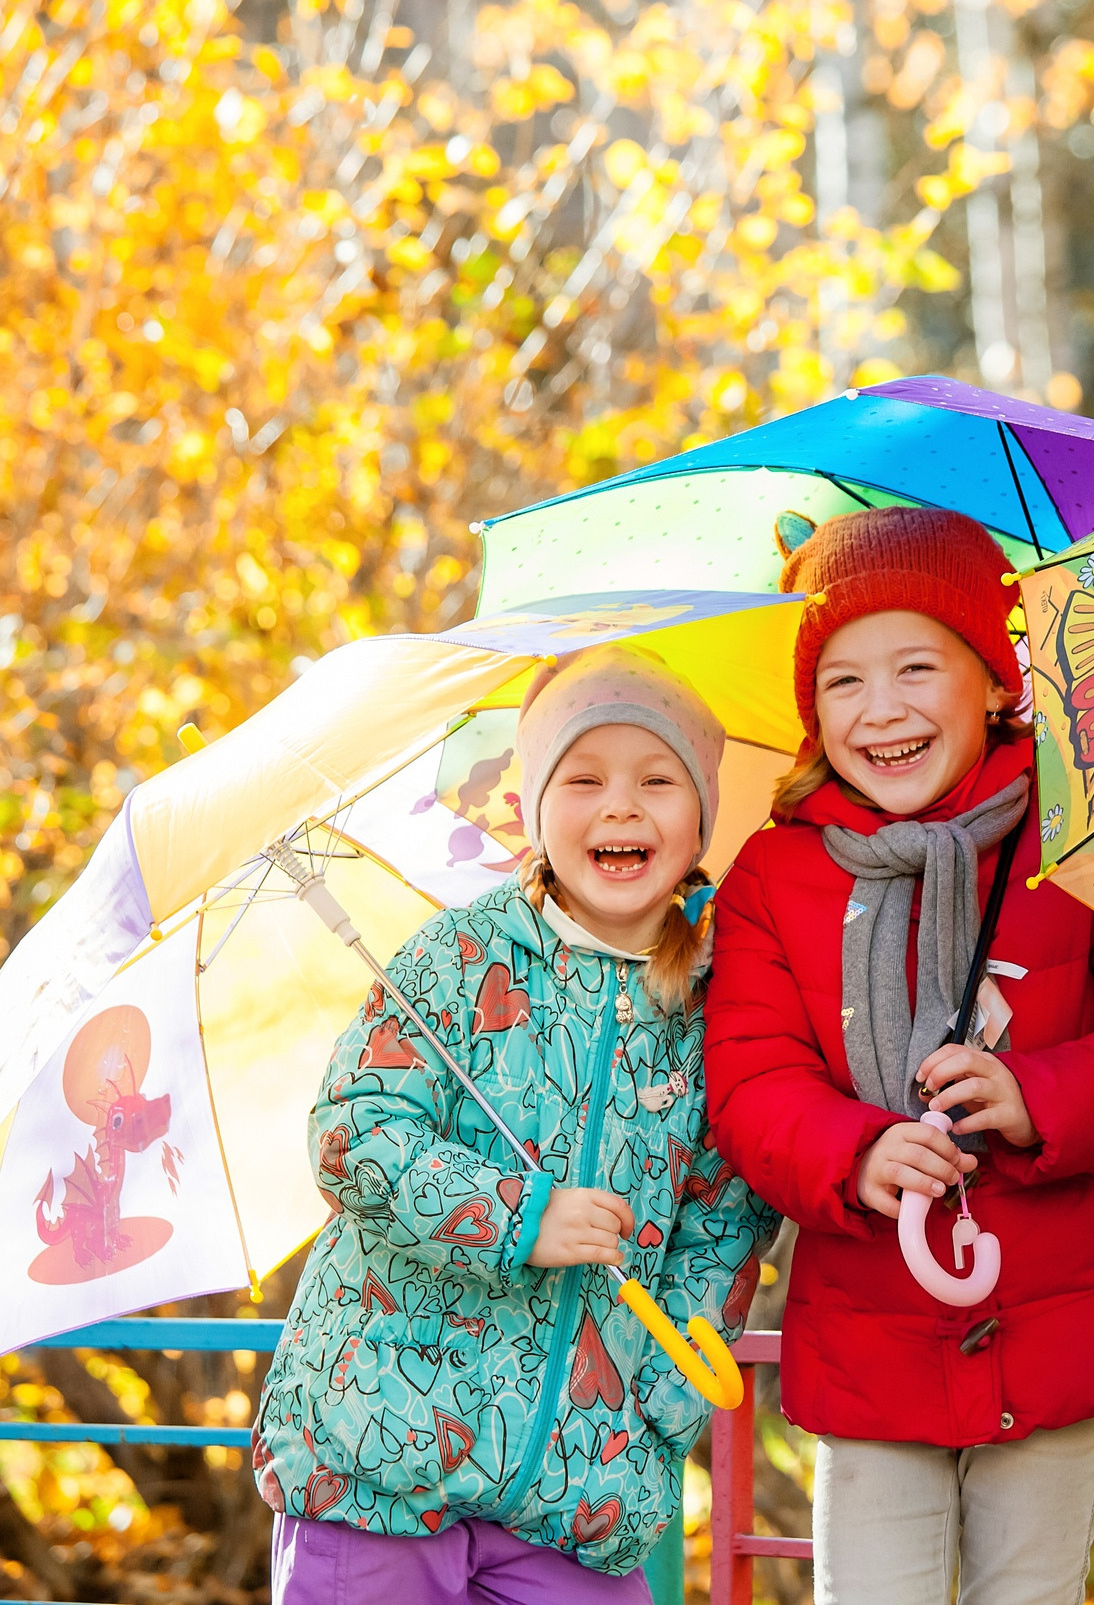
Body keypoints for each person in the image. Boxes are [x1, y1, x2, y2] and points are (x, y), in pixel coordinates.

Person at [705, 506, 1094, 1605]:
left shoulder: (1078, 839)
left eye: (916, 667)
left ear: (990, 680)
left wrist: (1038, 1096)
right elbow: (751, 1077)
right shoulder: (774, 877)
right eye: (842, 680)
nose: (880, 709)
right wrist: (854, 1152)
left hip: (1058, 1322)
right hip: (869, 1334)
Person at [252, 645, 779, 1603]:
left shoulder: (717, 1007)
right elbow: (353, 1135)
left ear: (701, 815)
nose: (620, 807)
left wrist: (655, 1406)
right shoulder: (459, 956)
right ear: (535, 810)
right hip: (379, 1459)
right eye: (584, 779)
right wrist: (518, 1214)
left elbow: (727, 1212)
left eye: (657, 780)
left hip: (581, 1490)